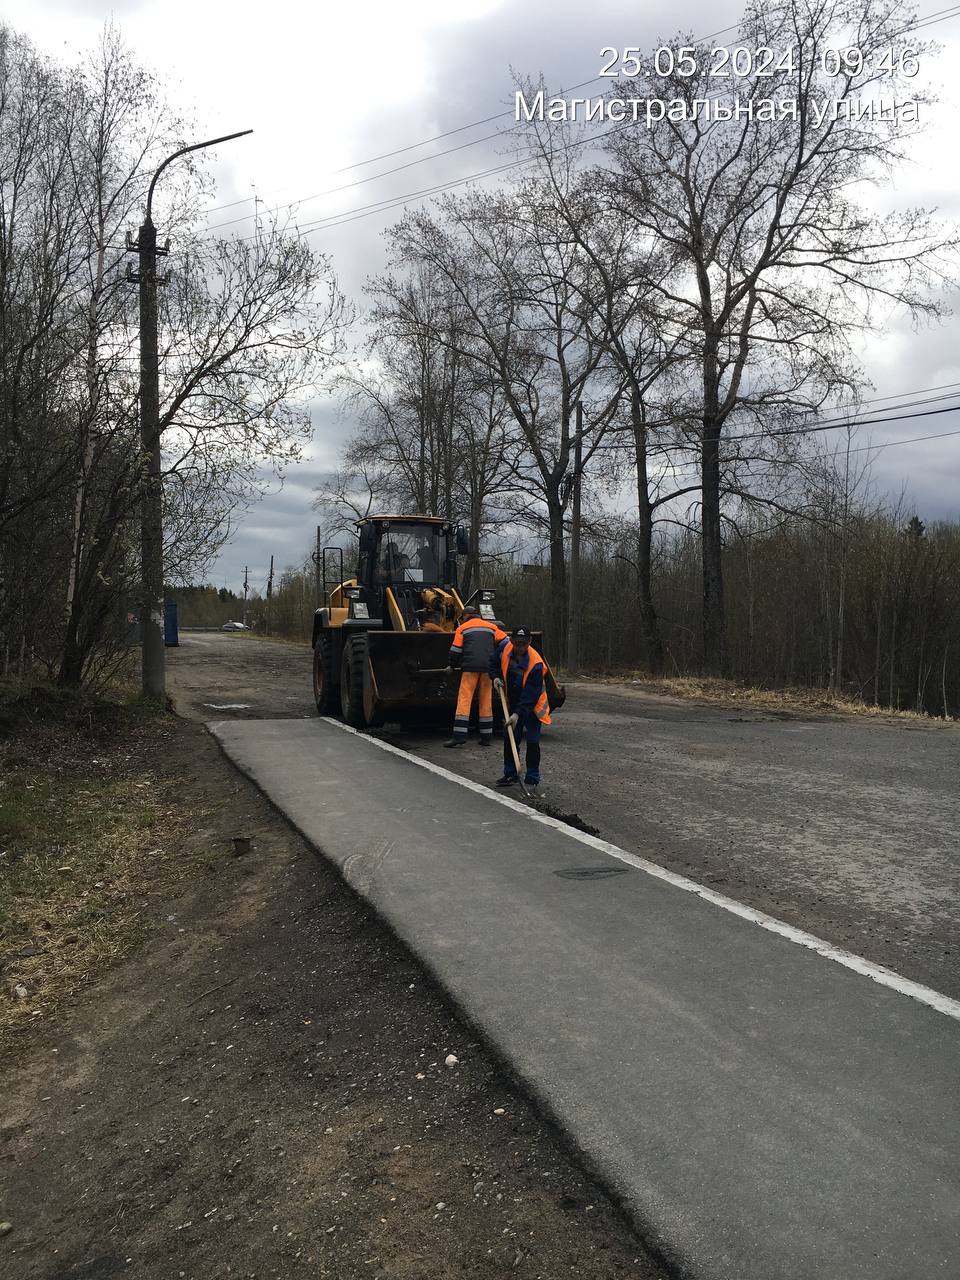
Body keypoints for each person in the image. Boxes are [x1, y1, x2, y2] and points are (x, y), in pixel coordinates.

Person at [492, 624, 551, 788]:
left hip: (532, 707)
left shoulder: (536, 664)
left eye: (523, 644)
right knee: (510, 737)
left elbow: (530, 695)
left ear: (529, 642)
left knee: (532, 741)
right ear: (511, 641)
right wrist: (495, 677)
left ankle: (532, 777)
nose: (520, 648)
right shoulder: (504, 649)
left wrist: (517, 714)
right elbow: (493, 663)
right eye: (517, 644)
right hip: (512, 701)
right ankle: (510, 773)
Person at [444, 607, 507, 748]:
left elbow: (455, 650)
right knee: (486, 700)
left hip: (470, 669)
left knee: (465, 699)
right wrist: (499, 659)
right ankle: (486, 737)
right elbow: (505, 642)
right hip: (488, 669)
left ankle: (459, 736)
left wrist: (451, 666)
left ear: (465, 616)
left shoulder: (462, 628)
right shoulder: (491, 627)